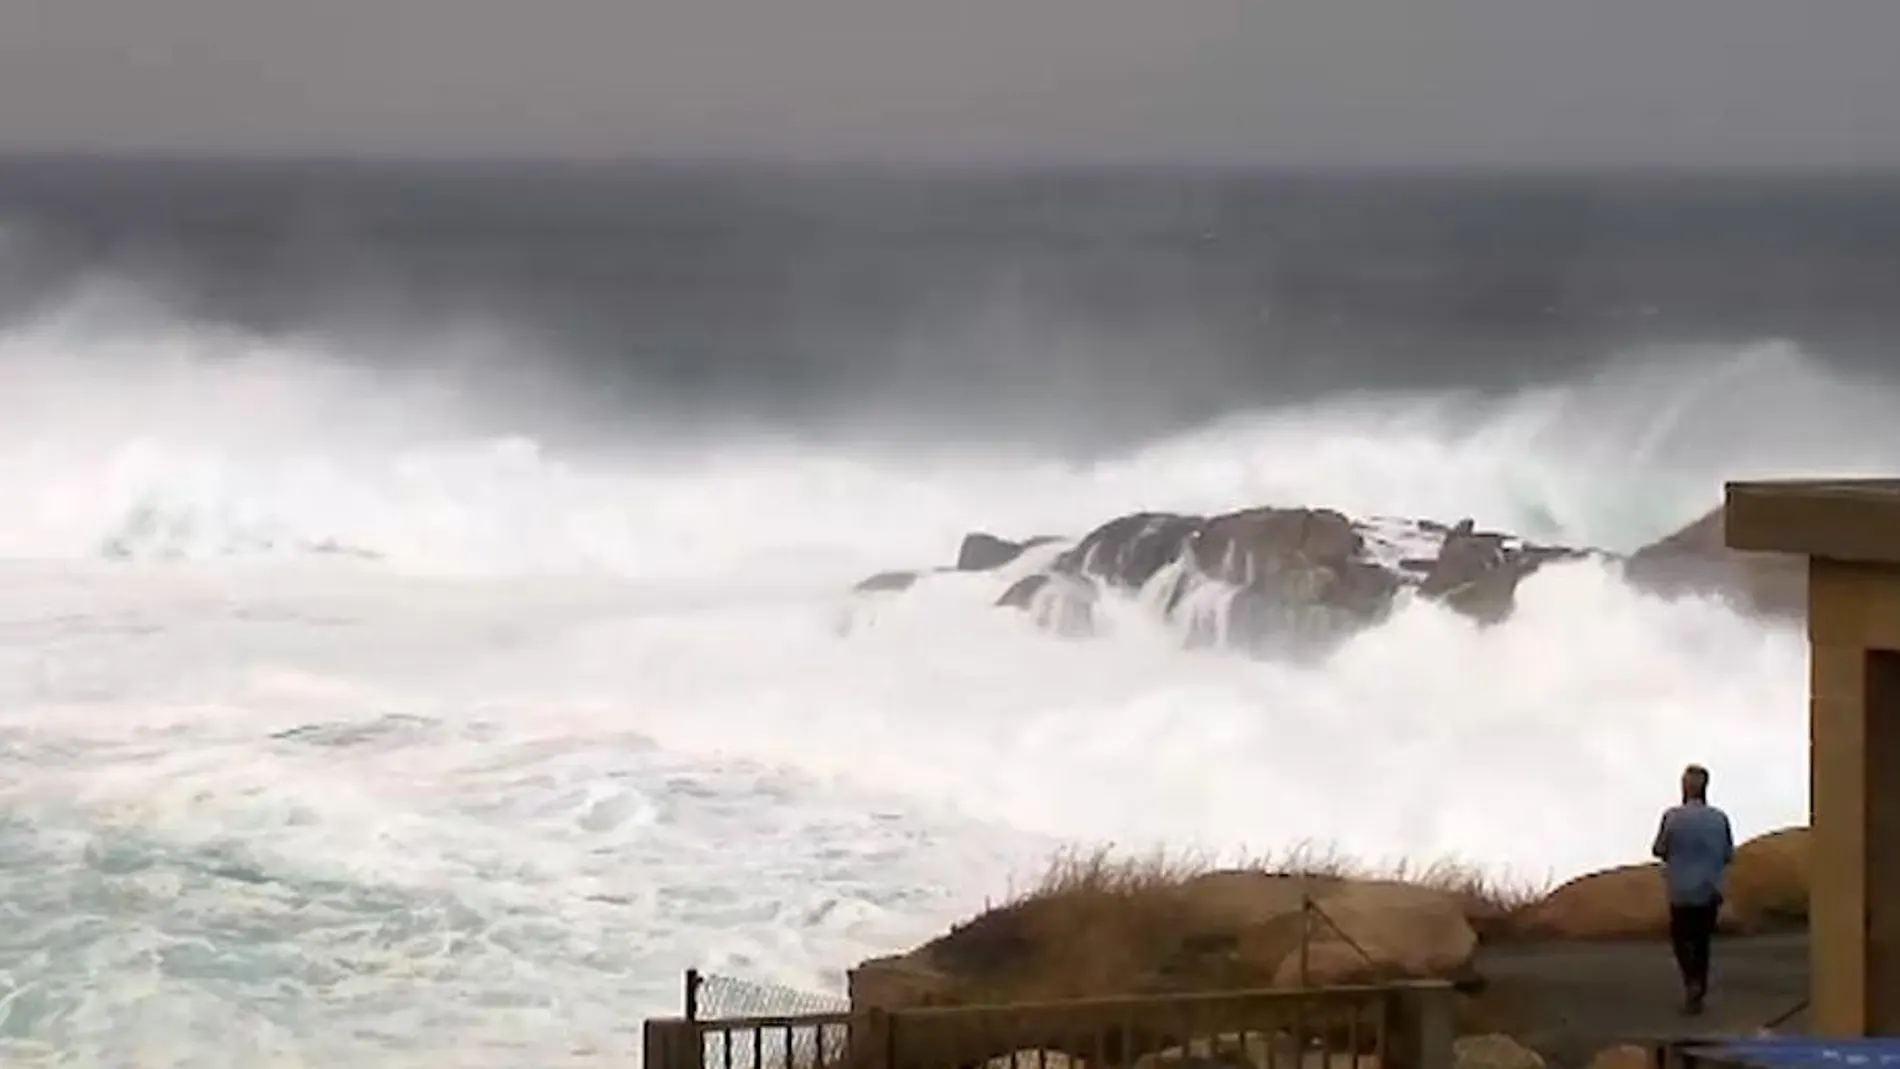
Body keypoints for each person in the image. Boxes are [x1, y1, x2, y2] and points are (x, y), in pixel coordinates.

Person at [1651, 763, 1735, 1015]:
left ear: (1684, 788)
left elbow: (1659, 849)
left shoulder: (1672, 817)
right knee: (1702, 941)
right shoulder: (1719, 818)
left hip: (1680, 890)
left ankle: (1691, 981)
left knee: (1680, 939)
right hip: (1709, 890)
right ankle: (1699, 987)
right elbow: (1728, 854)